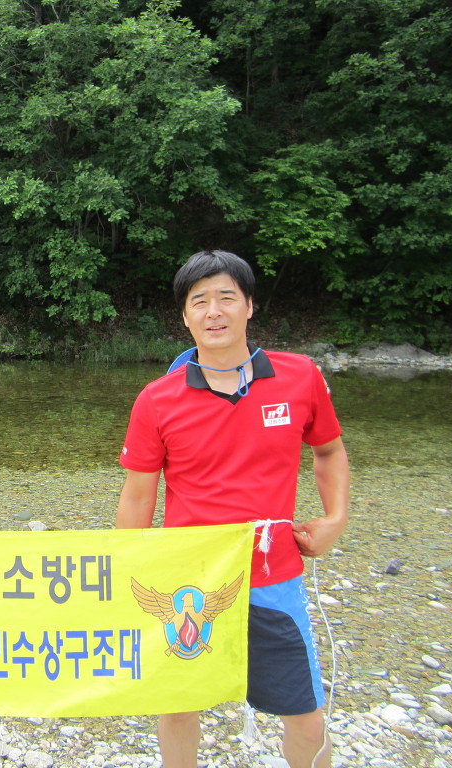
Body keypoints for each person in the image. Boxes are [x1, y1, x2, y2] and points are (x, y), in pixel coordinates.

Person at [115, 251, 350, 768]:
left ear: (249, 306)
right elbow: (138, 495)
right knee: (178, 707)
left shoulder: (299, 376)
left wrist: (335, 519)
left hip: (274, 577)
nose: (214, 311)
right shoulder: (157, 399)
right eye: (200, 301)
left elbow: (329, 450)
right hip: (187, 586)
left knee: (306, 718)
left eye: (226, 297)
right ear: (185, 316)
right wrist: (125, 568)